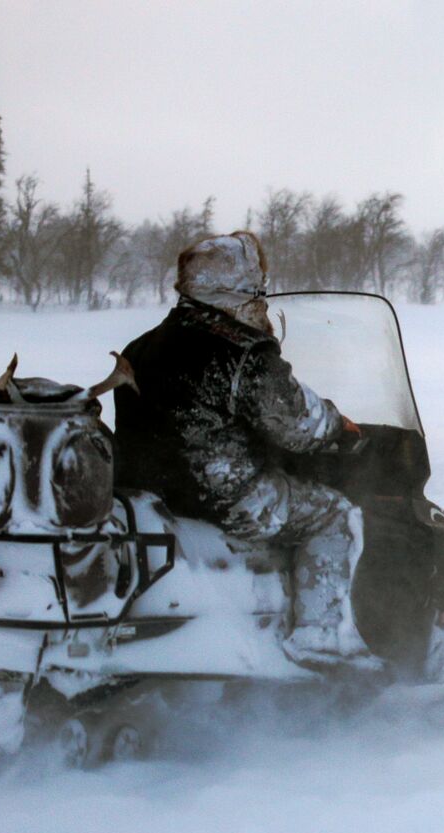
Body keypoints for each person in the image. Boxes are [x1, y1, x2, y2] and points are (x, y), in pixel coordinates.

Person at [113, 231, 373, 669]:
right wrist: (339, 428)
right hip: (227, 497)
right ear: (240, 290)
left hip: (150, 495)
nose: (263, 298)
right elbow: (297, 423)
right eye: (258, 288)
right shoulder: (241, 354)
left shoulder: (140, 347)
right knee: (334, 515)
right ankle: (320, 637)